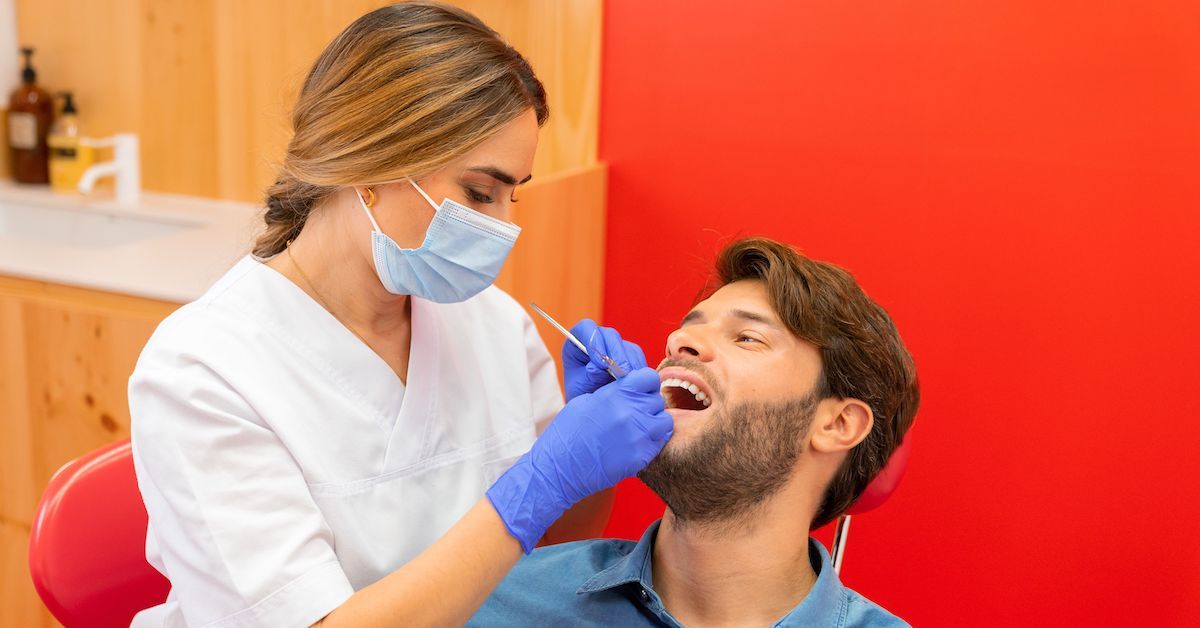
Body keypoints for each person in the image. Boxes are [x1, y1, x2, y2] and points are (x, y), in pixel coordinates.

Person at [127, 4, 672, 626]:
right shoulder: (203, 370)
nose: (503, 229)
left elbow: (548, 552)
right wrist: (531, 489)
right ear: (370, 165)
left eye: (511, 195)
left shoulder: (494, 324)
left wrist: (585, 466)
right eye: (478, 193)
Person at [470, 237, 921, 627]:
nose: (676, 343)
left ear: (837, 424)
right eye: (687, 328)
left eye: (747, 338)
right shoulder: (490, 599)